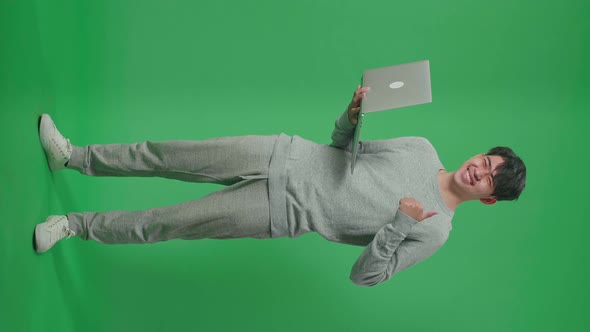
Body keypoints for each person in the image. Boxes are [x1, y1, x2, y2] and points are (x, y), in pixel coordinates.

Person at [34, 86, 526, 287]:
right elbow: (342, 147)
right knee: (165, 153)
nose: (478, 170)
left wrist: (400, 223)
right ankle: (72, 157)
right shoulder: (421, 147)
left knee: (166, 223)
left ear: (487, 197)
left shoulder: (436, 232)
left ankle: (74, 226)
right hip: (281, 152)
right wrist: (351, 117)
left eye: (488, 178)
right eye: (484, 161)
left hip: (277, 213)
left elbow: (365, 277)